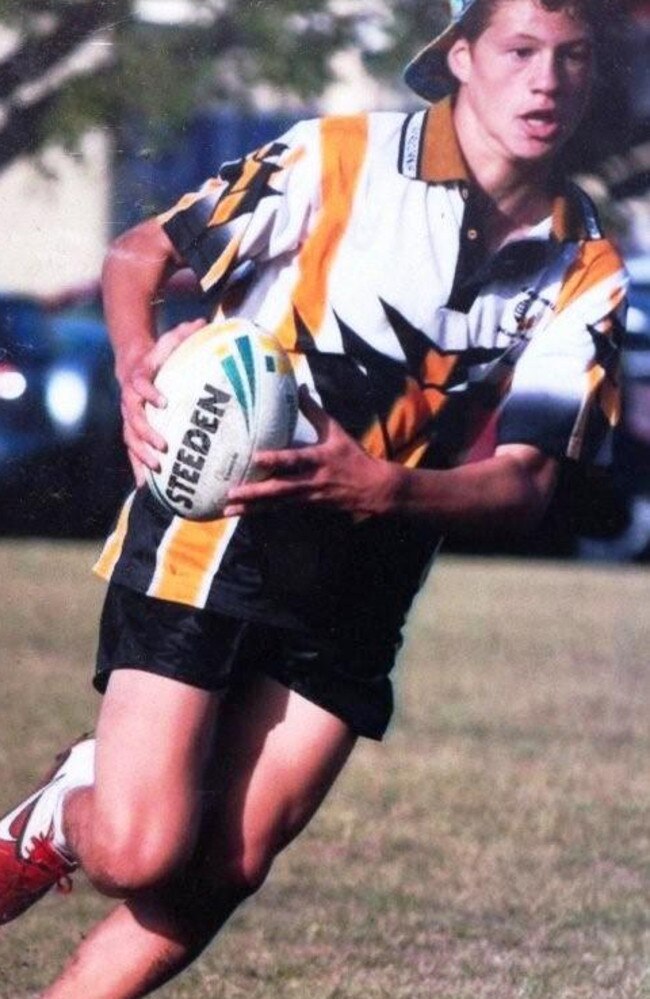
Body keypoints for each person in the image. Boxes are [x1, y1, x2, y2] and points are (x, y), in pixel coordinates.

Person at [0, 1, 627, 996]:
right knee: (134, 852)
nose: (545, 80)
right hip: (219, 521)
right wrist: (133, 369)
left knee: (223, 867)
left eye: (571, 58)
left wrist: (382, 488)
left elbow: (524, 486)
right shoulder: (340, 159)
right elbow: (140, 253)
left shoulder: (583, 263)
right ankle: (65, 807)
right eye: (517, 52)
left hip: (365, 564)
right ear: (459, 58)